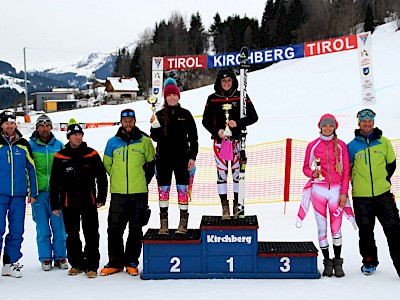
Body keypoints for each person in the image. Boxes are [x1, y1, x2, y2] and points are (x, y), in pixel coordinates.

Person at [297, 114, 353, 278]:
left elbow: (346, 171)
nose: (327, 128)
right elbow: (305, 168)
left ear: (335, 127)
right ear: (320, 127)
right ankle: (327, 262)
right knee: (322, 227)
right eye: (324, 125)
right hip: (319, 191)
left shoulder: (341, 146)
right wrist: (313, 173)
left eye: (330, 126)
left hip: (336, 191)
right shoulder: (313, 145)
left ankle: (337, 262)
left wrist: (344, 192)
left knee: (336, 228)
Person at [50, 118, 107, 278]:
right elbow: (54, 182)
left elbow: (101, 177)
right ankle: (76, 263)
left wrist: (101, 196)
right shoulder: (60, 156)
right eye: (74, 135)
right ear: (68, 137)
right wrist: (55, 204)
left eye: (80, 134)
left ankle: (91, 265)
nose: (78, 137)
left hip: (88, 201)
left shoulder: (91, 154)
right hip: (69, 202)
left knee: (91, 234)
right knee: (72, 234)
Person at [100, 109, 155, 277]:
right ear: (121, 122)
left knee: (136, 228)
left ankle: (132, 261)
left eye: (131, 120)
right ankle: (115, 262)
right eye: (125, 120)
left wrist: (141, 181)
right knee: (114, 229)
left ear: (135, 121)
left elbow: (151, 165)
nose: (128, 123)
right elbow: (107, 165)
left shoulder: (145, 141)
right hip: (118, 193)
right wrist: (118, 179)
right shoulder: (112, 142)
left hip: (139, 193)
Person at [347, 108, 400, 276]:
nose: (367, 123)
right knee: (366, 231)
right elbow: (347, 170)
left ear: (373, 122)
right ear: (359, 123)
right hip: (361, 198)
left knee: (394, 230)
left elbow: (391, 165)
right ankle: (369, 261)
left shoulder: (384, 142)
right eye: (364, 121)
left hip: (383, 195)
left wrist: (382, 182)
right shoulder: (352, 146)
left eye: (370, 121)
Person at [202, 68, 258, 219]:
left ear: (233, 81)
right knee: (221, 174)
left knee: (236, 174)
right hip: (220, 142)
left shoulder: (241, 96)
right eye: (223, 81)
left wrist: (237, 123)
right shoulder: (212, 98)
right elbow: (205, 121)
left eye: (229, 80)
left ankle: (236, 206)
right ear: (219, 82)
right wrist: (216, 131)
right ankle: (224, 207)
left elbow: (253, 117)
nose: (226, 83)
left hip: (236, 142)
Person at [150, 78, 198, 235]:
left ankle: (183, 223)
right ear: (165, 97)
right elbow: (155, 138)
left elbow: (194, 138)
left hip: (182, 159)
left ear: (178, 96)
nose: (172, 97)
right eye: (169, 95)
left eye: (174, 95)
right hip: (163, 159)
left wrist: (192, 157)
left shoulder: (186, 114)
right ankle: (163, 223)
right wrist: (154, 126)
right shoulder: (158, 114)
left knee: (182, 190)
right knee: (163, 191)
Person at [0, 110, 38, 278]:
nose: (10, 125)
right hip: (0, 195)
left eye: (12, 123)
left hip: (18, 196)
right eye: (6, 123)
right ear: (1, 125)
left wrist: (33, 191)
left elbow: (31, 169)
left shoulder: (23, 144)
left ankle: (10, 263)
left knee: (16, 230)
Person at [29, 114, 68, 271]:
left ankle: (60, 256)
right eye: (42, 126)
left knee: (59, 226)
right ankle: (45, 258)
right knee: (43, 228)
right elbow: (26, 169)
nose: (45, 129)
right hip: (39, 194)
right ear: (37, 128)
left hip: (56, 193)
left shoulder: (59, 145)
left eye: (47, 126)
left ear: (51, 127)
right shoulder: (30, 146)